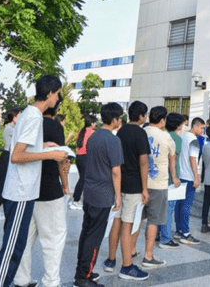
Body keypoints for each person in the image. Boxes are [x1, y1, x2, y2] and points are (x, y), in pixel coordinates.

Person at [0, 75, 68, 287]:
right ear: (51, 93)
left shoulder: (28, 113)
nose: (58, 98)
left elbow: (25, 149)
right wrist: (51, 155)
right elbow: (17, 156)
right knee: (12, 250)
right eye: (58, 93)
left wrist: (45, 147)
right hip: (21, 192)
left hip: (25, 191)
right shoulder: (34, 116)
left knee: (18, 246)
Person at [14, 106, 70, 287]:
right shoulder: (55, 127)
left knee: (24, 239)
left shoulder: (23, 122)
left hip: (25, 190)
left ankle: (21, 280)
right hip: (49, 189)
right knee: (53, 239)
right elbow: (61, 159)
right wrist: (66, 185)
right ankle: (51, 282)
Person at [74, 103, 124, 287]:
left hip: (90, 192)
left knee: (86, 233)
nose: (121, 120)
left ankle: (82, 271)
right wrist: (118, 196)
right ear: (114, 119)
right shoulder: (113, 140)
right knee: (94, 237)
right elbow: (116, 171)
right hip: (103, 194)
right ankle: (83, 277)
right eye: (120, 117)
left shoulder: (93, 136)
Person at [103, 101, 149, 281]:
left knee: (117, 221)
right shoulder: (140, 133)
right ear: (140, 116)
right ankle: (127, 266)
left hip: (119, 182)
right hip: (134, 185)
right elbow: (143, 162)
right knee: (129, 224)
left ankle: (111, 259)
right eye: (144, 115)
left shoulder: (120, 131)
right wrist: (145, 188)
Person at [142, 106, 178, 268]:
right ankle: (148, 256)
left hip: (140, 182)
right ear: (163, 120)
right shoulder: (166, 137)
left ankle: (132, 251)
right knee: (153, 220)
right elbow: (172, 160)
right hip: (158, 183)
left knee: (135, 220)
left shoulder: (142, 132)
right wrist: (175, 178)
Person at [174, 117, 203, 245]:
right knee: (186, 205)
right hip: (189, 176)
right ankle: (185, 233)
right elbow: (193, 159)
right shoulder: (194, 140)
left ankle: (179, 230)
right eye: (202, 127)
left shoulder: (182, 136)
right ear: (195, 126)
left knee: (179, 205)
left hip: (180, 175)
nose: (203, 130)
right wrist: (196, 177)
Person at [158, 113, 186, 248]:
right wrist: (175, 177)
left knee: (161, 207)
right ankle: (166, 238)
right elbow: (173, 160)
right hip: (171, 177)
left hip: (160, 176)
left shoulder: (162, 135)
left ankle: (158, 234)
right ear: (178, 125)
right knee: (169, 209)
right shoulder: (177, 139)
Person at [0, 108, 21, 221]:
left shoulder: (14, 127)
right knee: (2, 184)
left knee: (8, 184)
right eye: (20, 116)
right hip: (7, 157)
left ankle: (2, 208)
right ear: (14, 117)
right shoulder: (10, 129)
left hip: (10, 157)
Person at [70, 114, 97, 210]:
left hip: (79, 157)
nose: (96, 124)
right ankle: (76, 200)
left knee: (82, 178)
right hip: (86, 157)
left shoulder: (81, 131)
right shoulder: (93, 133)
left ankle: (77, 200)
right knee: (84, 179)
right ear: (92, 123)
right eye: (95, 122)